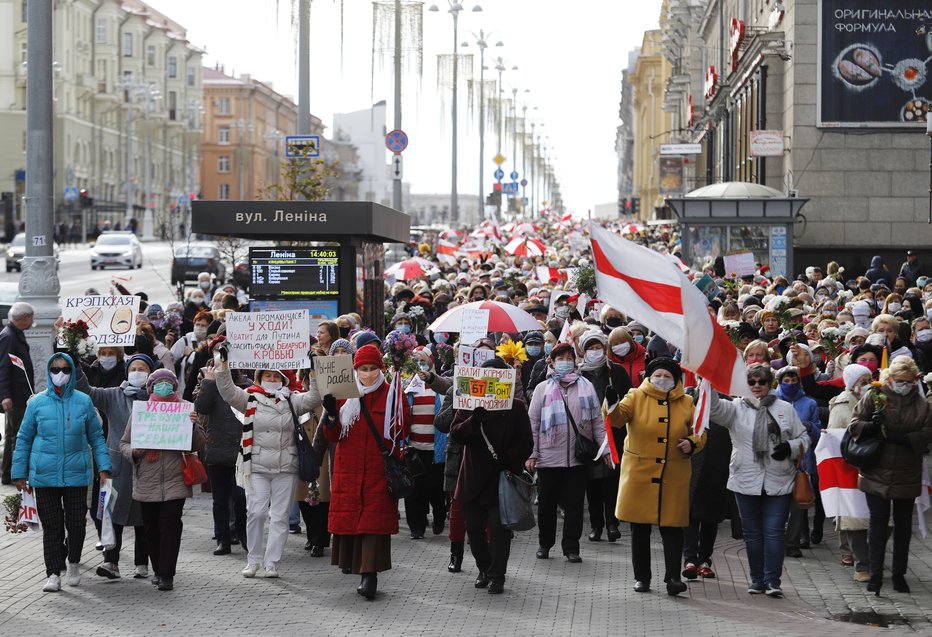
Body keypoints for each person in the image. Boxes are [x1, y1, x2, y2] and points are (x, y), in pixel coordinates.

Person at [213, 344, 321, 579]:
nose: (272, 379)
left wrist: (313, 370)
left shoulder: (292, 399)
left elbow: (315, 397)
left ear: (283, 379)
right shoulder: (250, 398)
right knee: (257, 512)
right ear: (260, 376)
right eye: (268, 375)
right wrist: (222, 363)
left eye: (276, 375)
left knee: (280, 516)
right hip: (257, 466)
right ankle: (253, 560)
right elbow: (227, 391)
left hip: (286, 467)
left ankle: (271, 563)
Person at [11, 353, 111, 593]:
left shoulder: (83, 401)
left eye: (65, 369)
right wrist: (19, 473)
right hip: (44, 475)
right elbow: (24, 438)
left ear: (72, 372)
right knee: (52, 527)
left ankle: (74, 563)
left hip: (77, 473)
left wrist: (104, 467)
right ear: (48, 371)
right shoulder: (36, 403)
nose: (60, 373)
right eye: (55, 369)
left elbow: (96, 437)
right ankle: (53, 572)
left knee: (76, 523)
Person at [319, 344, 412, 600]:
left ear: (381, 369)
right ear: (354, 370)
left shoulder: (392, 393)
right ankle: (355, 567)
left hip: (378, 470)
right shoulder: (343, 395)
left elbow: (402, 430)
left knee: (373, 524)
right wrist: (329, 414)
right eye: (363, 369)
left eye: (373, 368)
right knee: (352, 520)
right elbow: (333, 435)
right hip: (349, 469)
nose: (368, 374)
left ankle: (369, 575)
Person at [709, 363, 809, 598]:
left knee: (774, 532)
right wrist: (707, 381)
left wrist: (790, 447)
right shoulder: (735, 408)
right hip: (745, 479)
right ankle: (756, 580)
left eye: (761, 382)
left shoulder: (784, 408)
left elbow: (803, 438)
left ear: (769, 383)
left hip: (779, 479)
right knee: (752, 534)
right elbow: (712, 409)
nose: (756, 386)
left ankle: (773, 581)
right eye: (751, 382)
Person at [606, 357, 703, 596]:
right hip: (639, 472)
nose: (662, 379)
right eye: (657, 375)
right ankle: (642, 577)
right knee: (639, 528)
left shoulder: (687, 402)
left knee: (672, 528)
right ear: (649, 376)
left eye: (667, 376)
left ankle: (673, 578)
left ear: (676, 379)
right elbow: (618, 419)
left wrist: (692, 443)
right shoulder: (635, 396)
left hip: (674, 473)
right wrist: (610, 404)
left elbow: (700, 432)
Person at [450, 357, 534, 595]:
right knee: (474, 530)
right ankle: (484, 568)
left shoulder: (515, 407)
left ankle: (497, 575)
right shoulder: (467, 404)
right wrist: (472, 421)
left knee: (499, 530)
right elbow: (456, 434)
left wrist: (508, 460)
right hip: (473, 477)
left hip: (502, 479)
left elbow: (526, 442)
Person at [849, 356, 932, 595]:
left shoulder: (922, 404)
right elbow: (854, 425)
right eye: (899, 380)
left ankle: (899, 573)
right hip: (876, 469)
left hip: (907, 471)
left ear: (915, 379)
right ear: (890, 378)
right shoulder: (874, 397)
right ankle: (875, 574)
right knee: (878, 523)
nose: (903, 384)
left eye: (908, 381)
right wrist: (871, 427)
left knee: (904, 526)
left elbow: (927, 433)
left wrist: (903, 438)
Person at [120, 369, 204, 591]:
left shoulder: (185, 409)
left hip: (175, 480)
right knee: (151, 529)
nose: (164, 386)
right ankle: (158, 569)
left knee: (170, 527)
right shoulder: (142, 412)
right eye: (159, 382)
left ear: (175, 386)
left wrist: (193, 425)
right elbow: (124, 444)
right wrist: (135, 452)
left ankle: (167, 574)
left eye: (168, 382)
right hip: (147, 481)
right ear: (151, 387)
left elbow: (199, 446)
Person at [74, 353, 155, 580]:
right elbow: (87, 391)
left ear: (150, 373)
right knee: (110, 514)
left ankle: (142, 562)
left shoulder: (157, 398)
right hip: (116, 465)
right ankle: (111, 561)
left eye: (142, 368)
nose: (137, 373)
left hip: (147, 466)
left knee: (144, 517)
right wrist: (75, 360)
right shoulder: (114, 395)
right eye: (133, 368)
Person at [527, 342, 608, 563]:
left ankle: (571, 547)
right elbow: (533, 422)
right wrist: (532, 453)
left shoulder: (586, 386)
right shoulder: (542, 388)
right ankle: (545, 544)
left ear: (575, 360)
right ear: (551, 362)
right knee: (546, 505)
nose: (565, 362)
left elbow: (597, 422)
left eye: (568, 358)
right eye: (560, 358)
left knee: (574, 507)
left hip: (577, 458)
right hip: (547, 458)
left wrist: (606, 449)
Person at [193, 356, 248, 557]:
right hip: (216, 450)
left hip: (241, 451)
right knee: (220, 500)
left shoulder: (245, 385)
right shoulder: (211, 385)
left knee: (241, 498)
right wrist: (208, 382)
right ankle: (222, 539)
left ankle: (243, 533)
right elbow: (201, 407)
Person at [825, 363, 872, 581]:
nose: (868, 386)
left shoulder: (877, 402)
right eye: (863, 382)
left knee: (882, 519)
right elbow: (836, 437)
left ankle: (870, 556)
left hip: (874, 466)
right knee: (855, 520)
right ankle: (862, 564)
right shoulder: (842, 405)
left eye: (870, 381)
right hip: (851, 467)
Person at [403, 347, 447, 539]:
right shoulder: (409, 387)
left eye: (422, 360)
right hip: (414, 448)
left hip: (435, 449)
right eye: (415, 360)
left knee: (434, 488)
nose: (419, 364)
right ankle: (416, 527)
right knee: (414, 491)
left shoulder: (441, 387)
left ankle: (439, 516)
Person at [0, 302, 35, 485]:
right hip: (15, 396)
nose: (32, 321)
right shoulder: (9, 336)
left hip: (18, 394)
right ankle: (15, 475)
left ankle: (7, 474)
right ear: (25, 318)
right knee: (17, 436)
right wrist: (5, 395)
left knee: (11, 434)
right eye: (31, 317)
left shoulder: (15, 333)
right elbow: (3, 368)